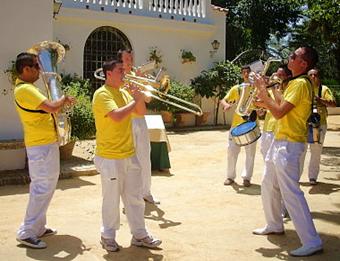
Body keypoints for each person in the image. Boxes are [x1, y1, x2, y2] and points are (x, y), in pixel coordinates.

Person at [252, 47, 323, 257]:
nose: (289, 57)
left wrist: (263, 91)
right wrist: (266, 92)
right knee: (268, 184)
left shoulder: (301, 83)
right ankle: (274, 224)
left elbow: (279, 112)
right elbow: (280, 104)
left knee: (291, 193)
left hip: (290, 144)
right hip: (281, 141)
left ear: (303, 64)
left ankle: (312, 240)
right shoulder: (295, 83)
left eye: (294, 56)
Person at [92, 59, 161, 252]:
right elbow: (116, 116)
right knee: (111, 199)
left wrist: (138, 95)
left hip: (129, 153)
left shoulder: (124, 92)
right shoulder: (102, 94)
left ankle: (139, 234)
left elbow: (141, 111)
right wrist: (135, 99)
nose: (125, 73)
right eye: (120, 70)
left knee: (135, 197)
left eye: (124, 70)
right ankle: (107, 235)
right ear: (108, 74)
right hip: (110, 156)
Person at [14, 52, 75, 249]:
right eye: (36, 66)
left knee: (46, 186)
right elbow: (51, 107)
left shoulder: (28, 88)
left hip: (44, 143)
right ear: (25, 69)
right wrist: (63, 99)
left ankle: (37, 227)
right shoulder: (25, 90)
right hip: (39, 145)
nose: (40, 70)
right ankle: (27, 231)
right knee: (41, 187)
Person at [118, 49, 159, 204]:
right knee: (128, 159)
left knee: (144, 156)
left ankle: (146, 192)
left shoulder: (138, 76)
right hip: (126, 121)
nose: (130, 61)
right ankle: (128, 195)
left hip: (140, 120)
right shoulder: (118, 77)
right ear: (120, 61)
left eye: (131, 58)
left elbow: (148, 99)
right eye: (127, 58)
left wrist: (142, 83)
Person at [220, 65, 256, 187]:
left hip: (251, 124)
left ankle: (247, 178)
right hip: (236, 125)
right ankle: (230, 177)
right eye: (244, 72)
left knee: (250, 153)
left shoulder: (256, 89)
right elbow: (223, 100)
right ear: (241, 74)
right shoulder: (237, 88)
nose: (246, 74)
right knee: (231, 151)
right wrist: (226, 105)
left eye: (248, 72)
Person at [301, 68, 336, 185]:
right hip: (304, 124)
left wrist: (319, 100)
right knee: (301, 151)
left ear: (318, 77)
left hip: (319, 124)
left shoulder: (324, 89)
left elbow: (333, 103)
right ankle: (296, 176)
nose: (313, 77)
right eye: (310, 75)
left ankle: (312, 177)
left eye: (315, 75)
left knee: (316, 152)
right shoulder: (304, 89)